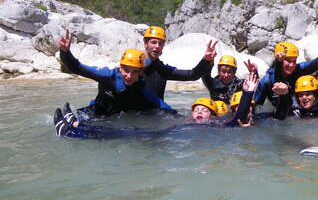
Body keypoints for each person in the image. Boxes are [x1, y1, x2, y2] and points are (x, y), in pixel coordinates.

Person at [53, 73, 259, 139]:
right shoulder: (185, 119)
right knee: (129, 132)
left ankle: (73, 132)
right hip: (168, 134)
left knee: (129, 134)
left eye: (204, 110)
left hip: (170, 139)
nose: (199, 112)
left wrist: (248, 91)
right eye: (196, 109)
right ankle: (77, 125)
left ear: (212, 116)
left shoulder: (216, 126)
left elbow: (236, 121)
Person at [57, 30, 173, 118]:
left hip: (113, 118)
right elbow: (77, 68)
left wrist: (184, 119)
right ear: (119, 68)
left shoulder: (140, 87)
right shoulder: (107, 75)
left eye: (134, 72)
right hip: (93, 113)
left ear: (140, 73)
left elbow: (162, 105)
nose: (129, 76)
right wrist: (65, 52)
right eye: (126, 70)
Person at [142, 26, 217, 99]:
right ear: (146, 43)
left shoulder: (162, 69)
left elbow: (192, 75)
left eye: (160, 43)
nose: (157, 46)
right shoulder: (134, 65)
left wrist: (206, 60)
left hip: (155, 110)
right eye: (153, 42)